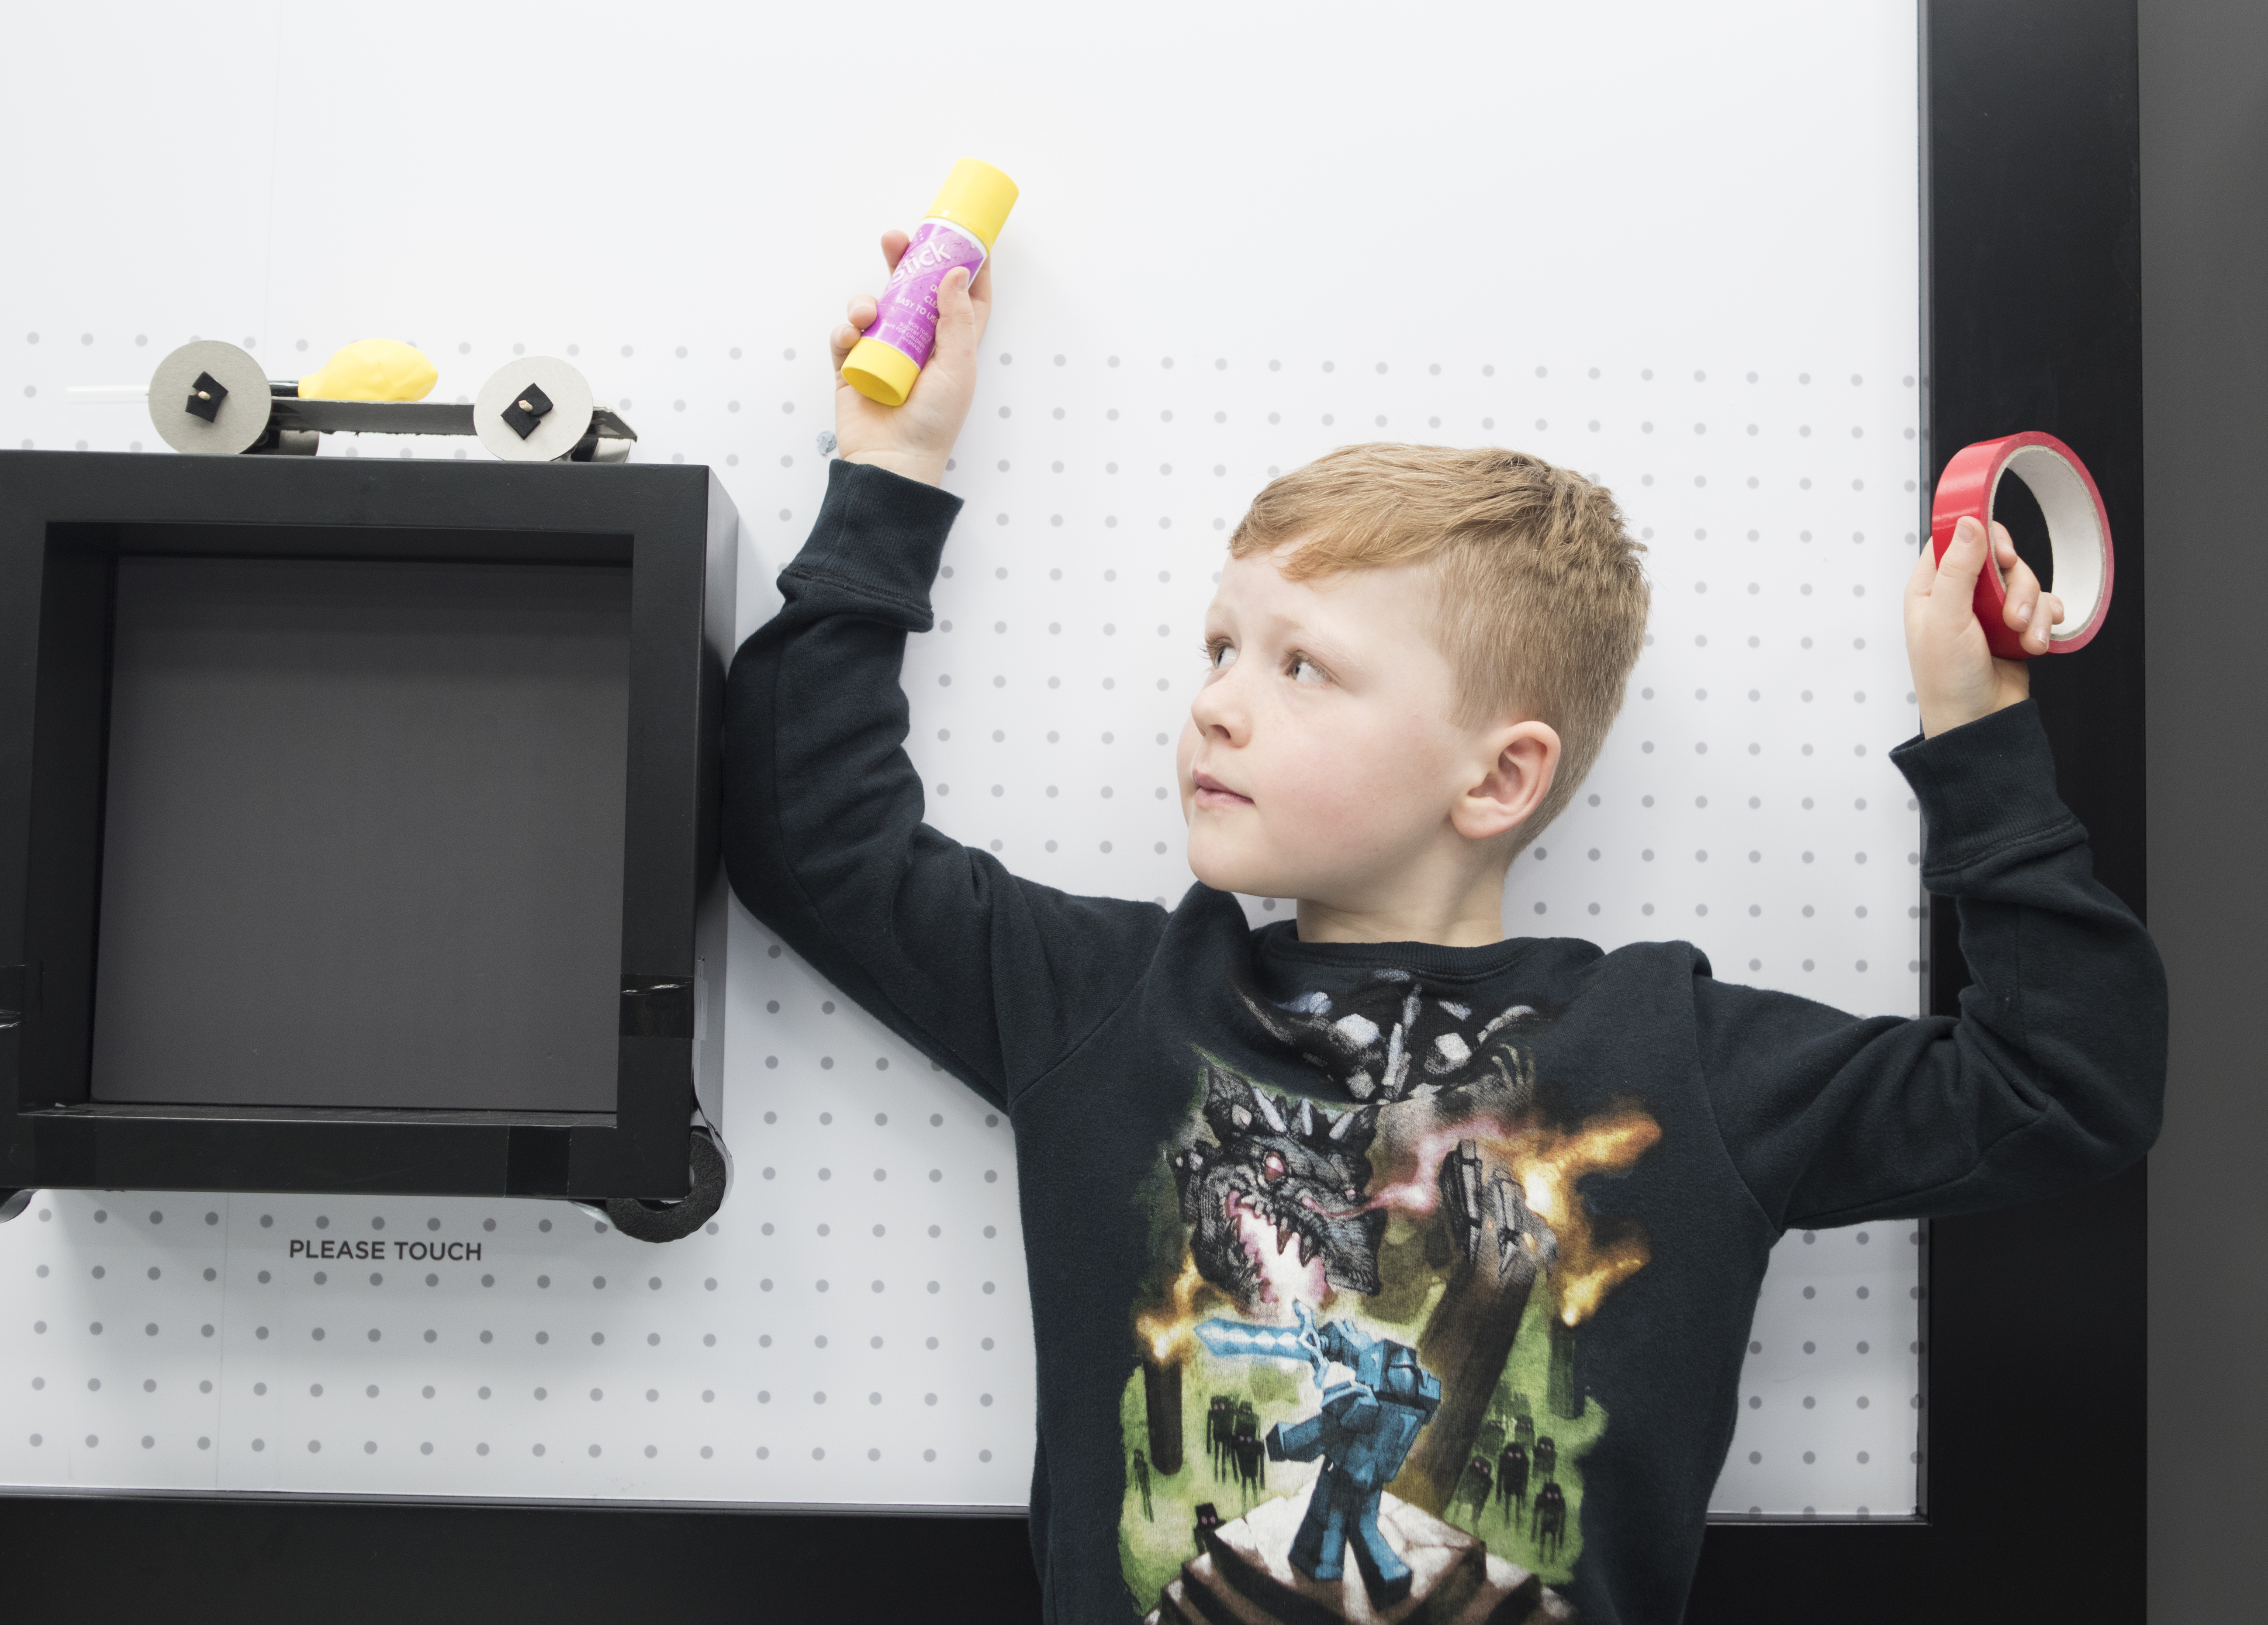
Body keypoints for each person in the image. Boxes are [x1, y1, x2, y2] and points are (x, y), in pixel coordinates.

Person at [719, 236, 2167, 1623]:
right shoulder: (1107, 1003)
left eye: (1304, 667)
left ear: (1499, 775)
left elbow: (2065, 1083)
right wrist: (888, 464)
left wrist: (1977, 732)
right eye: (1219, 646)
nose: (1217, 699)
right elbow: (815, 837)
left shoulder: (1677, 1057)